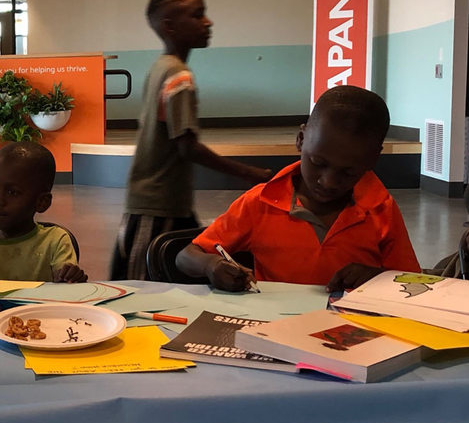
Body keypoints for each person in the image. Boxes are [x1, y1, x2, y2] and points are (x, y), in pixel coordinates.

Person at [176, 85, 421, 292]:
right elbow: (187, 255)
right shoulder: (259, 203)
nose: (328, 181)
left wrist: (374, 276)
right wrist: (210, 266)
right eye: (318, 163)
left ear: (373, 160)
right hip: (272, 330)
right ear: (301, 140)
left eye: (348, 172)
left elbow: (414, 282)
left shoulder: (381, 209)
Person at [111, 0, 272, 280]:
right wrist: (250, 173)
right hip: (156, 204)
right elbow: (187, 146)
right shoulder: (179, 76)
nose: (208, 22)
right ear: (169, 26)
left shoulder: (161, 66)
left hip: (170, 201)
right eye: (197, 15)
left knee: (187, 264)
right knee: (137, 285)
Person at [0, 142, 86, 283]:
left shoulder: (55, 241)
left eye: (12, 192)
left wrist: (69, 277)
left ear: (42, 202)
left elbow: (65, 288)